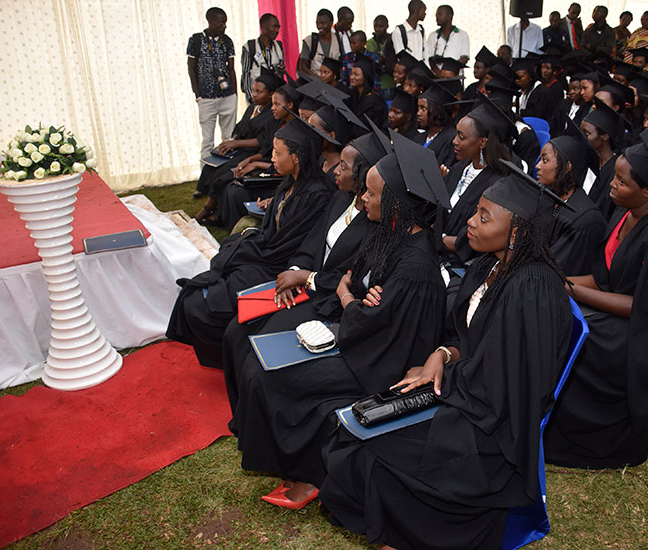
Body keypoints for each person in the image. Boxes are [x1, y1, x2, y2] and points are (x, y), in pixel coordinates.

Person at [320, 171, 574, 550]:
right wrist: (442, 354)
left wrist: (447, 378)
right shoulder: (489, 265)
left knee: (372, 448)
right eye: (475, 211)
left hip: (490, 428)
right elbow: (468, 339)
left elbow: (507, 382)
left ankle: (404, 536)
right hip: (465, 395)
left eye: (484, 217)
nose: (470, 221)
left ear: (517, 233)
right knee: (359, 430)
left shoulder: (532, 287)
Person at [248, 141, 448, 510]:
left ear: (395, 203)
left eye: (371, 193)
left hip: (382, 363)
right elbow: (357, 283)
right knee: (271, 371)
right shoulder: (389, 232)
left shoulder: (416, 267)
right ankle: (294, 465)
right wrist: (355, 297)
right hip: (364, 342)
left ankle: (308, 476)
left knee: (286, 381)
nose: (363, 199)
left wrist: (347, 298)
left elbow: (366, 311)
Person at [220, 133, 384, 478]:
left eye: (344, 166)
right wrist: (295, 270)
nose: (335, 170)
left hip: (328, 303)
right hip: (306, 287)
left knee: (258, 354)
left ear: (363, 175)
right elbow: (312, 244)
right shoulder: (340, 200)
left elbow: (349, 278)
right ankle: (242, 419)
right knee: (236, 330)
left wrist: (308, 279)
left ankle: (260, 439)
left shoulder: (375, 221)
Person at [544, 123, 648, 469]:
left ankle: (576, 436)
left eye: (621, 181)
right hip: (622, 310)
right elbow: (604, 279)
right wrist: (555, 278)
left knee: (577, 335)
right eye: (614, 177)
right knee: (554, 312)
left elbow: (644, 307)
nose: (611, 185)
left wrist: (569, 289)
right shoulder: (624, 213)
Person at [166, 116, 336, 369]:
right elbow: (272, 230)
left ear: (296, 157)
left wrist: (252, 247)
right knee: (218, 268)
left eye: (277, 153)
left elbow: (294, 245)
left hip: (278, 265)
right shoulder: (290, 183)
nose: (272, 158)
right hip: (267, 253)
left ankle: (226, 357)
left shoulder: (317, 195)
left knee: (204, 301)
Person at [193, 73, 280, 226]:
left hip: (251, 152)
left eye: (259, 92)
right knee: (211, 166)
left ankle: (208, 209)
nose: (254, 94)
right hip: (239, 148)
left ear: (270, 94)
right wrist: (232, 140)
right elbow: (240, 127)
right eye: (253, 90)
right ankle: (216, 209)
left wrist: (237, 144)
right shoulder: (253, 107)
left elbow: (261, 141)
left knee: (222, 173)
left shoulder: (271, 115)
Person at [441, 97, 514, 271]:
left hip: (462, 267)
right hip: (439, 252)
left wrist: (435, 239)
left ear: (482, 142)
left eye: (462, 137)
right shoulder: (458, 169)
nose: (454, 141)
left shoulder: (497, 186)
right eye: (456, 134)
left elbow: (469, 242)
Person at [537, 135, 607, 276]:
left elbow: (556, 268)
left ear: (567, 167)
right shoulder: (549, 198)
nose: (538, 166)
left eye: (545, 160)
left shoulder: (585, 220)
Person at [187, 7, 238, 165]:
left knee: (229, 139)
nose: (224, 26)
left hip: (227, 96)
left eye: (225, 23)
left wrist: (235, 94)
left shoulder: (227, 41)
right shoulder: (196, 40)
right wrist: (197, 94)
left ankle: (226, 173)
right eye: (221, 22)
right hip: (206, 98)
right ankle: (205, 175)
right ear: (210, 21)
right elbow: (191, 68)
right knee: (207, 141)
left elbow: (231, 69)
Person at [581, 98, 625, 220]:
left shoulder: (615, 171)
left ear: (605, 136)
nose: (582, 137)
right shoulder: (584, 160)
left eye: (587, 134)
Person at [240, 14, 285, 104]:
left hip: (273, 96)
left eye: (278, 27)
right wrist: (251, 98)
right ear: (263, 27)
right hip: (256, 97)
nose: (277, 31)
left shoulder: (278, 46)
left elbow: (281, 70)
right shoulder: (250, 47)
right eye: (274, 26)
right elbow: (246, 74)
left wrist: (281, 70)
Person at [412, 81, 457, 167]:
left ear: (438, 110)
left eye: (423, 109)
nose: (418, 113)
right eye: (418, 108)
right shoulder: (418, 138)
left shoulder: (451, 138)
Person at [298, 9, 344, 78]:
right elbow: (302, 67)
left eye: (323, 23)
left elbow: (342, 61)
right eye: (317, 23)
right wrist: (318, 79)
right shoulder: (310, 41)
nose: (319, 26)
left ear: (331, 23)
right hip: (315, 81)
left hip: (334, 82)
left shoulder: (338, 38)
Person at [427, 4, 469, 75]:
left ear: (450, 16)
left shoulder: (462, 35)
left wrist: (450, 71)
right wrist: (440, 74)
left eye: (440, 14)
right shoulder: (432, 36)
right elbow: (429, 59)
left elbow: (464, 58)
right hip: (436, 78)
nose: (437, 17)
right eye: (436, 15)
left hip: (455, 76)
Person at [348, 56, 389, 130]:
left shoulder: (374, 100)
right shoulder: (354, 95)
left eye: (356, 74)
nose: (352, 77)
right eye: (351, 74)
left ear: (366, 76)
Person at [365, 15, 396, 100]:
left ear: (387, 26)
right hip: (376, 83)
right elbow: (375, 60)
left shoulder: (392, 40)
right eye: (375, 26)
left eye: (381, 26)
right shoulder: (370, 42)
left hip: (390, 82)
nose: (377, 29)